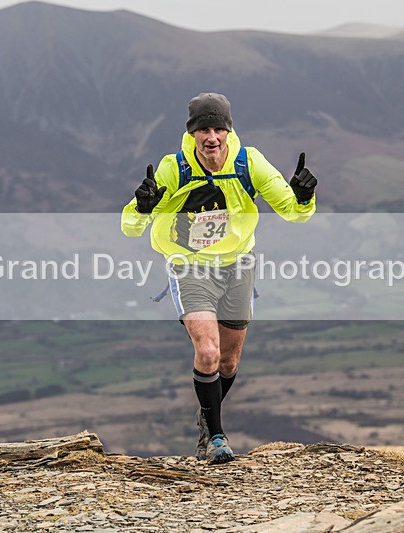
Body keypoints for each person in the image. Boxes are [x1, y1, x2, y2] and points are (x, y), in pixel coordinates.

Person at [121, 93, 317, 464]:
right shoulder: (173, 169)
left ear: (228, 131)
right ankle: (215, 436)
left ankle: (206, 415)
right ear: (192, 133)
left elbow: (294, 213)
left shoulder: (249, 163)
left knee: (228, 362)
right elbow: (131, 226)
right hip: (189, 265)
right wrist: (143, 206)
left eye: (217, 128)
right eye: (202, 130)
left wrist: (304, 197)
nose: (211, 137)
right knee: (207, 351)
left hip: (239, 265)